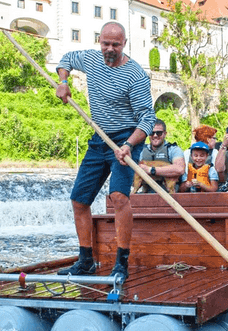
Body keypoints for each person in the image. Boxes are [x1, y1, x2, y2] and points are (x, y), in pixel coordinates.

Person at [55, 21, 156, 281]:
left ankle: (121, 262)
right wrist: (63, 82)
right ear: (99, 42)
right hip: (100, 137)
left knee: (119, 197)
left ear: (124, 44)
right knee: (79, 200)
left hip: (127, 137)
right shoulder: (91, 59)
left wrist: (129, 144)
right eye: (106, 44)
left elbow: (147, 119)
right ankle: (85, 261)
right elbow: (65, 59)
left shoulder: (135, 75)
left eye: (116, 45)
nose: (110, 49)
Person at [137, 119, 185, 193]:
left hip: (169, 192)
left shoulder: (173, 149)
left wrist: (151, 170)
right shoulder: (141, 151)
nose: (155, 135)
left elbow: (180, 169)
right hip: (146, 192)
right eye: (152, 133)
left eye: (159, 133)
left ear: (165, 134)